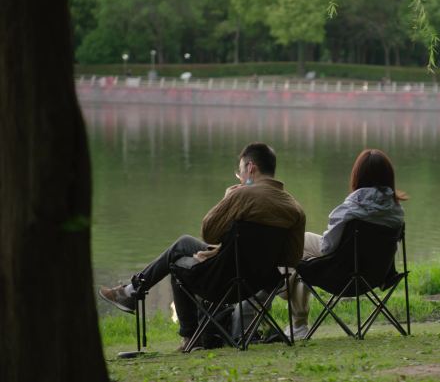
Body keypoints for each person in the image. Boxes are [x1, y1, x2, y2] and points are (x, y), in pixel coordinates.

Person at [99, 142, 306, 350]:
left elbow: (209, 232)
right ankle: (132, 290)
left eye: (241, 171)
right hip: (260, 284)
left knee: (178, 262)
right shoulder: (294, 208)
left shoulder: (241, 195)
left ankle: (187, 333)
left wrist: (229, 197)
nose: (241, 177)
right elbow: (292, 257)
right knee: (185, 243)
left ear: (251, 168)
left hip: (225, 281)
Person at [282, 149, 407, 340]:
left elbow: (327, 248)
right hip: (375, 277)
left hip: (341, 276)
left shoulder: (352, 209)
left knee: (299, 244)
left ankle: (288, 298)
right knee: (301, 254)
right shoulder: (397, 212)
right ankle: (287, 285)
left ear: (358, 176)